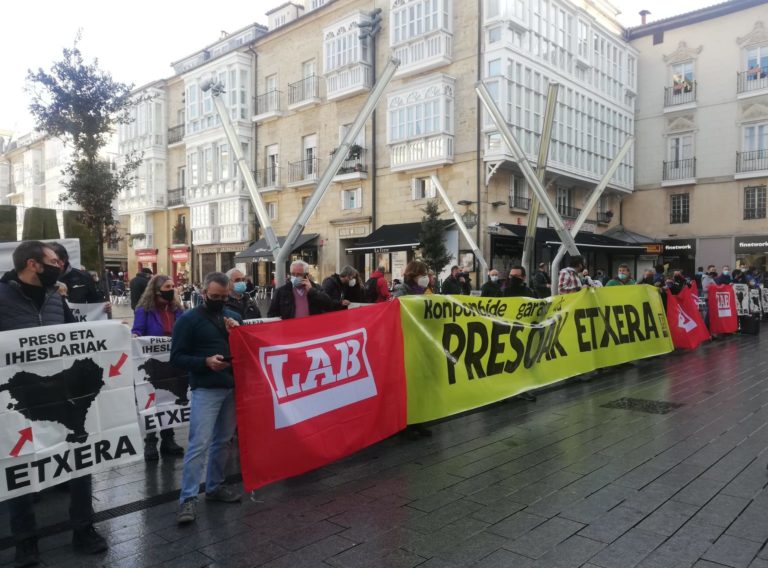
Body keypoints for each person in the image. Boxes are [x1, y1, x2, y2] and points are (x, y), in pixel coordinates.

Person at [0, 241, 108, 565]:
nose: (59, 265)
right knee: (19, 464)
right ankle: (25, 541)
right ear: (33, 264)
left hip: (61, 394)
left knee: (80, 459)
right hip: (19, 400)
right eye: (52, 261)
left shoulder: (54, 298)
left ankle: (84, 528)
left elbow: (75, 337)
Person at [171, 272, 243, 525]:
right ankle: (188, 498)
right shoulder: (188, 320)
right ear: (203, 294)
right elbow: (176, 357)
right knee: (198, 444)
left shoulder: (233, 317)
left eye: (224, 297)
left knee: (223, 442)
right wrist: (204, 362)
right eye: (214, 297)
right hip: (205, 388)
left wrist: (237, 333)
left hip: (231, 387)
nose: (220, 301)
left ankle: (214, 486)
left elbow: (245, 351)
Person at [132, 275, 186, 462]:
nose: (172, 288)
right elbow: (138, 330)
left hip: (173, 362)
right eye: (168, 286)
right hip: (152, 364)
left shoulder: (177, 309)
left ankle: (168, 439)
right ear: (156, 290)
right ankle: (150, 441)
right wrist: (134, 336)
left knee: (169, 400)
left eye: (173, 285)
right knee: (152, 402)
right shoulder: (144, 310)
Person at [393, 260, 434, 438]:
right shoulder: (402, 291)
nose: (426, 278)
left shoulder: (426, 291)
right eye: (423, 274)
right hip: (407, 343)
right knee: (408, 386)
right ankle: (404, 425)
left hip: (422, 342)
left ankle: (419, 421)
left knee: (421, 386)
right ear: (414, 275)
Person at [48, 242, 110, 317]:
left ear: (62, 261)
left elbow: (95, 300)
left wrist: (104, 307)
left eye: (51, 261)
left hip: (78, 325)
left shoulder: (83, 276)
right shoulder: (40, 280)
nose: (47, 265)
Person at [268, 261, 336, 319]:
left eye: (299, 274)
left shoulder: (316, 288)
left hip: (311, 330)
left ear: (306, 275)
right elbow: (271, 314)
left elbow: (329, 305)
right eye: (293, 274)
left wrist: (312, 291)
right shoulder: (281, 291)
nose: (295, 277)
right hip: (290, 330)